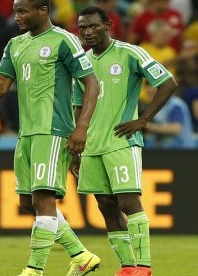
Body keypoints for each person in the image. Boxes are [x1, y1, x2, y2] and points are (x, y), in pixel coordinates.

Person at [0, 1, 100, 275]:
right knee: (27, 203)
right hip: (26, 133)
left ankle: (34, 269)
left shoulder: (65, 40)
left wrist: (81, 127)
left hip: (52, 130)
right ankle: (80, 255)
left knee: (43, 200)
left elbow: (91, 83)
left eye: (23, 11)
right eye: (16, 11)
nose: (17, 17)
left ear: (42, 10)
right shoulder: (15, 45)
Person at [73, 6, 179, 276]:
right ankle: (128, 267)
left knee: (128, 202)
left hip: (121, 140)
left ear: (108, 25)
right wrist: (76, 147)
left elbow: (167, 83)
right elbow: (77, 105)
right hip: (91, 146)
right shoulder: (82, 63)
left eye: (94, 26)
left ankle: (144, 266)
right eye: (83, 27)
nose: (88, 32)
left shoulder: (130, 52)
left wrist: (143, 120)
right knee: (106, 206)